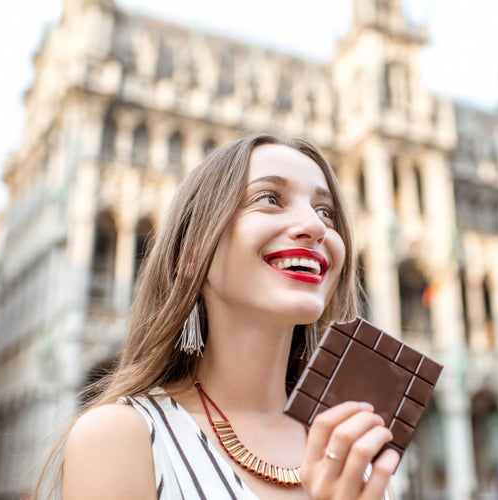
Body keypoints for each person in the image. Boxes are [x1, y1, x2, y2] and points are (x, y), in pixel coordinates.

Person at [34, 132, 399, 499]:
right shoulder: (120, 438)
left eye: (326, 212)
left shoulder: (353, 442)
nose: (316, 226)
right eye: (269, 199)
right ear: (189, 255)